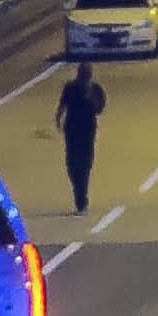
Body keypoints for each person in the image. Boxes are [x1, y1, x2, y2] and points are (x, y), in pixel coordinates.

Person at [53, 61, 106, 214]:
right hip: (72, 129)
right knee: (71, 164)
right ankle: (79, 192)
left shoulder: (96, 89)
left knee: (85, 164)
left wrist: (91, 97)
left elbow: (99, 109)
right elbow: (62, 105)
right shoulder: (70, 87)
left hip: (88, 130)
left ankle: (81, 199)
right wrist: (58, 119)